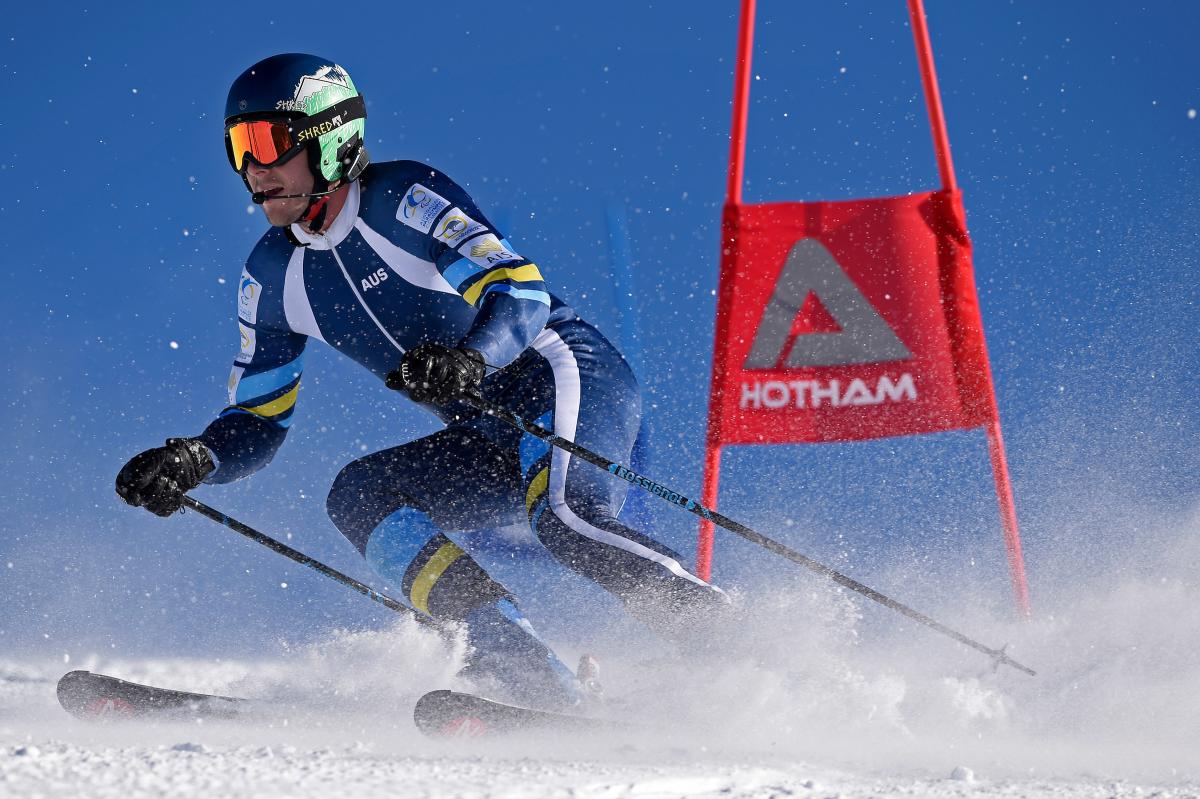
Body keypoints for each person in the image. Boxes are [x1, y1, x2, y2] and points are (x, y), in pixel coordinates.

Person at [115, 52, 725, 709]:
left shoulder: (401, 198)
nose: (253, 169)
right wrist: (195, 458)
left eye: (268, 143)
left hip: (560, 372)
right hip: (485, 432)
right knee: (359, 493)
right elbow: (260, 419)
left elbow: (519, 291)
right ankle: (512, 659)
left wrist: (473, 357)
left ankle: (733, 640)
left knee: (567, 517)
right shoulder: (272, 276)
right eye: (240, 147)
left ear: (330, 140)